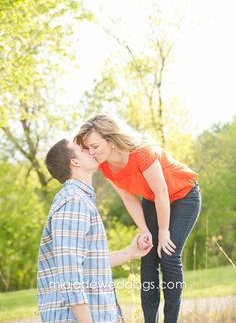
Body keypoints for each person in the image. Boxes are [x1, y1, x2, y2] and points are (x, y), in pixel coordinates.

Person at [74, 114, 202, 323]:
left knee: (168, 255)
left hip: (183, 196)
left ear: (110, 139)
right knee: (148, 256)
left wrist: (163, 231)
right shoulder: (105, 166)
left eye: (94, 146)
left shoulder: (141, 153)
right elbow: (128, 197)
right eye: (88, 148)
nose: (91, 152)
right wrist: (145, 230)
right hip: (152, 199)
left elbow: (162, 191)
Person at [37, 139, 152, 323]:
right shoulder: (73, 202)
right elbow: (69, 273)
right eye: (83, 149)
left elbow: (89, 263)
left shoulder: (80, 200)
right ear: (75, 162)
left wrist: (130, 253)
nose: (91, 150)